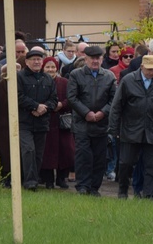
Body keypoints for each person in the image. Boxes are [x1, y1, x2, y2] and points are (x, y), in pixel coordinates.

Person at [109, 55, 153, 199]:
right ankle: (123, 191)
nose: (152, 72)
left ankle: (149, 194)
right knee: (126, 163)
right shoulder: (128, 80)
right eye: (149, 69)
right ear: (142, 67)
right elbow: (116, 106)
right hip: (130, 129)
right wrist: (114, 129)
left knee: (152, 165)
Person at [67, 45, 116, 195]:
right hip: (82, 123)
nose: (95, 61)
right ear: (86, 59)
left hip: (101, 124)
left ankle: (95, 187)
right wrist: (86, 113)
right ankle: (82, 185)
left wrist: (102, 112)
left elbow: (114, 98)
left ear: (102, 59)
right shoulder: (76, 75)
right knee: (83, 156)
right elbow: (72, 97)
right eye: (92, 58)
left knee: (99, 157)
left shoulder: (109, 76)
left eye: (98, 58)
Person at [17, 49, 58, 191]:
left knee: (39, 154)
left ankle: (33, 179)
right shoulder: (20, 77)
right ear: (27, 62)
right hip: (24, 122)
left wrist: (44, 108)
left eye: (39, 59)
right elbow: (18, 96)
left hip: (42, 122)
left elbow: (54, 99)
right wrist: (34, 106)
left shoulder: (48, 79)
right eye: (33, 59)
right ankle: (30, 182)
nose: (36, 62)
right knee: (28, 150)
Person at [40, 56, 74, 189]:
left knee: (65, 151)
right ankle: (48, 180)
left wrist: (62, 104)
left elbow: (71, 98)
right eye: (47, 67)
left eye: (53, 67)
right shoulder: (41, 81)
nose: (50, 69)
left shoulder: (64, 82)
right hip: (46, 121)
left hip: (62, 122)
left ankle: (61, 178)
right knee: (47, 152)